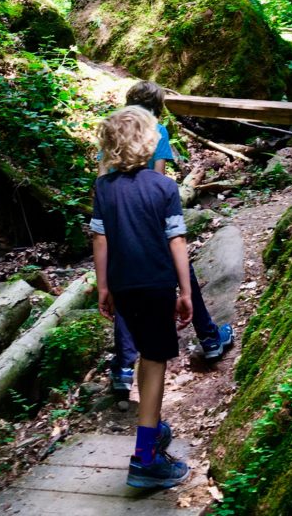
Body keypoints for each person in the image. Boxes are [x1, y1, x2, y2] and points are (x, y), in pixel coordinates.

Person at [108, 82, 234, 394]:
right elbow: (158, 177)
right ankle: (209, 338)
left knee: (123, 287)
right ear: (157, 106)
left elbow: (104, 176)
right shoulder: (157, 131)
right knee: (182, 270)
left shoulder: (114, 131)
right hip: (150, 215)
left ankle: (124, 367)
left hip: (118, 216)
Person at [92, 105, 192, 488]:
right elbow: (176, 238)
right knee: (154, 361)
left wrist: (103, 287)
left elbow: (100, 238)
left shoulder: (103, 187)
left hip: (123, 286)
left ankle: (152, 432)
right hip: (156, 284)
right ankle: (145, 458)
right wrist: (184, 291)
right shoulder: (164, 186)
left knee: (147, 355)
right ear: (150, 143)